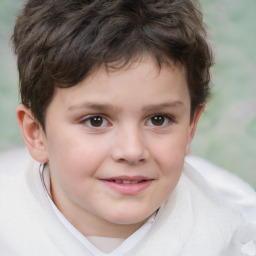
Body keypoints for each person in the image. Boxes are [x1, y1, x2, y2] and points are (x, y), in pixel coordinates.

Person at [0, 0, 255, 255]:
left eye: (159, 119)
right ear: (37, 134)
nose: (132, 151)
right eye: (96, 120)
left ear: (190, 127)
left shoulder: (233, 234)